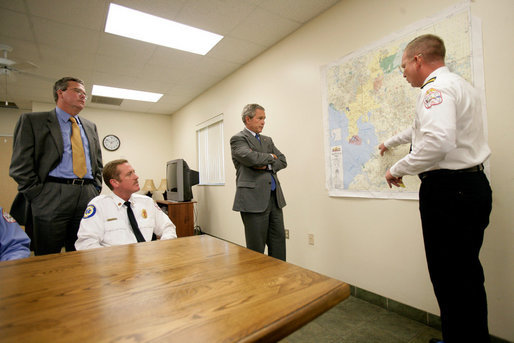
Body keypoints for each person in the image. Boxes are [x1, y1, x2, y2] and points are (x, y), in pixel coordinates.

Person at [378, 34, 492, 343]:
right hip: (471, 187)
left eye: (403, 66)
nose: (402, 73)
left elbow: (438, 141)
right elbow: (421, 129)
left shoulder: (435, 89)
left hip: (449, 193)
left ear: (418, 60)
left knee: (450, 279)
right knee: (466, 275)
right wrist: (390, 142)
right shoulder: (459, 85)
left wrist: (396, 169)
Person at [9, 77, 103, 256]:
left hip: (86, 194)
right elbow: (20, 165)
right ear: (60, 93)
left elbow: (97, 162)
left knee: (83, 251)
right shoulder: (33, 121)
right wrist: (38, 194)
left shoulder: (90, 127)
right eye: (78, 91)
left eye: (85, 93)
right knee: (48, 254)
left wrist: (95, 188)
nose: (83, 96)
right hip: (51, 193)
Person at [75, 159, 177, 250]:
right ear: (115, 182)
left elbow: (168, 228)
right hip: (115, 265)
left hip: (148, 262)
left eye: (134, 172)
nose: (136, 177)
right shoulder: (99, 206)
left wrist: (162, 247)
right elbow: (86, 244)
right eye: (129, 174)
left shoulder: (147, 202)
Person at [230, 104, 287, 261]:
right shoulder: (238, 139)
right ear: (248, 119)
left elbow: (282, 160)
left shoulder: (267, 140)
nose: (263, 122)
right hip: (252, 199)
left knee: (279, 244)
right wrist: (270, 157)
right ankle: (256, 283)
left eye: (264, 119)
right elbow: (250, 158)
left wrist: (266, 162)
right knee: (256, 249)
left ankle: (279, 279)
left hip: (274, 199)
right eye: (260, 118)